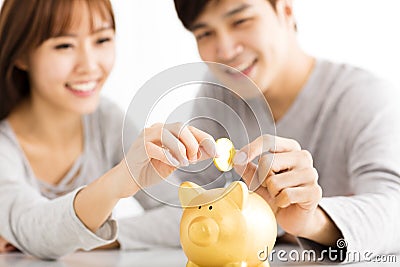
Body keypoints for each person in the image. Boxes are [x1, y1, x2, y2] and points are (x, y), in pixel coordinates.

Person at [173, 0, 400, 262]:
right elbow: (190, 204)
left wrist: (312, 221)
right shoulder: (219, 93)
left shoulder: (366, 98)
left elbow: (394, 211)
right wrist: (114, 226)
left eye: (240, 21)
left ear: (285, 9)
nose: (225, 50)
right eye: (204, 33)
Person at [0, 0, 216, 259]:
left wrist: (101, 238)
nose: (89, 65)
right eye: (64, 45)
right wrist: (118, 182)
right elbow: (34, 230)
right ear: (21, 54)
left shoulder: (104, 120)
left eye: (101, 40)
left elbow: (191, 215)